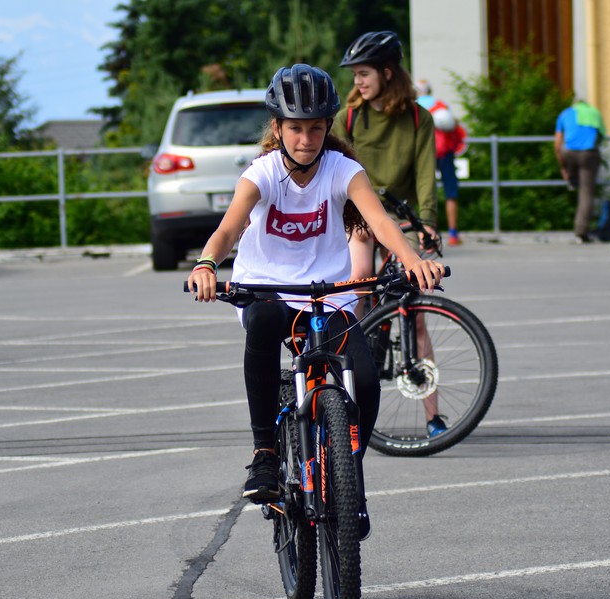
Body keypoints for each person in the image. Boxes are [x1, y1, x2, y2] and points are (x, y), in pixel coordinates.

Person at [185, 64, 444, 505]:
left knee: (363, 376)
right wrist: (207, 263)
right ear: (278, 128)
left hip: (326, 293)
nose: (306, 140)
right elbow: (228, 229)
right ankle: (265, 452)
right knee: (264, 323)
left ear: (328, 127)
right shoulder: (262, 173)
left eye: (316, 129)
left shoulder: (342, 169)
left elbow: (379, 221)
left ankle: (347, 467)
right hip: (266, 287)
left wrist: (413, 259)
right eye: (296, 129)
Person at [333, 30, 449, 438]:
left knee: (415, 316)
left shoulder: (419, 118)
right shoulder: (349, 118)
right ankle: (344, 401)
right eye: (354, 75)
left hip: (399, 219)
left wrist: (428, 222)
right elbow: (337, 173)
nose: (357, 83)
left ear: (387, 72)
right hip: (359, 217)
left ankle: (433, 416)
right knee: (357, 289)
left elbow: (424, 176)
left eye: (363, 74)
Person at [415, 79, 467, 246]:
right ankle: (453, 234)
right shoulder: (441, 105)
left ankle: (428, 232)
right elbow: (455, 127)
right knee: (451, 192)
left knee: (425, 192)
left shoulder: (413, 107)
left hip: (424, 154)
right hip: (445, 152)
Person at [554, 97, 606, 243]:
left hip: (569, 152)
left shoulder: (565, 113)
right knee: (586, 193)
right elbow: (601, 137)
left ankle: (571, 177)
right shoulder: (594, 113)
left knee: (568, 156)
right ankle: (581, 232)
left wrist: (563, 167)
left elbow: (557, 144)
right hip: (589, 153)